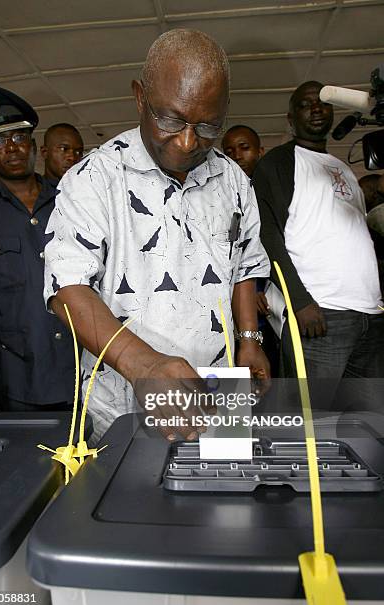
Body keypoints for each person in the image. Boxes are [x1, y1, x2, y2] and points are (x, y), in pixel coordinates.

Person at [44, 29, 271, 443]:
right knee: (130, 503)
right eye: (170, 120)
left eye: (207, 126)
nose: (187, 142)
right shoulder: (93, 179)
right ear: (139, 97)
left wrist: (250, 339)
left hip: (221, 392)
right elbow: (67, 289)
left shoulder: (233, 180)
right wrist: (143, 366)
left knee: (226, 500)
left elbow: (245, 264)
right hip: (123, 404)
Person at [252, 81, 383, 403]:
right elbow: (268, 235)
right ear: (290, 117)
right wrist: (299, 301)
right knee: (308, 425)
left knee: (367, 425)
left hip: (369, 315)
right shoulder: (279, 163)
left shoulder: (343, 168)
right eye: (305, 104)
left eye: (322, 103)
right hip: (320, 315)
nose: (315, 109)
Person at [0, 86, 75, 411]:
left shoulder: (72, 201)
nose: (11, 148)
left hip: (83, 369)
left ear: (33, 145)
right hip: (15, 379)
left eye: (19, 137)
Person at [222, 124, 279, 374]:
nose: (236, 155)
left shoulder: (273, 194)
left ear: (260, 151)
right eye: (229, 150)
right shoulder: (222, 194)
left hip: (272, 297)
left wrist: (261, 285)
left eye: (244, 148)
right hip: (234, 297)